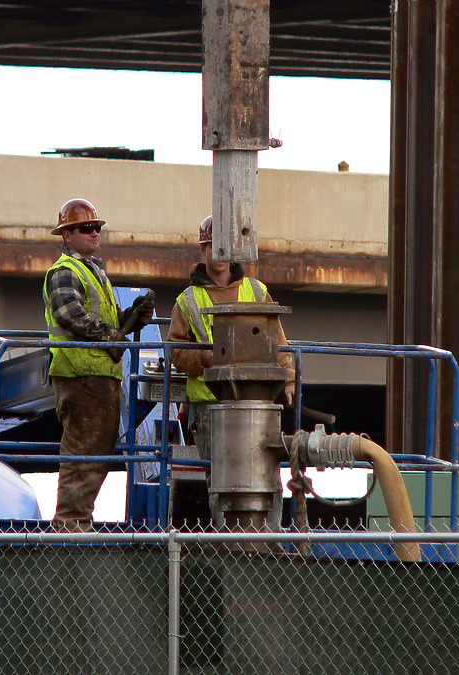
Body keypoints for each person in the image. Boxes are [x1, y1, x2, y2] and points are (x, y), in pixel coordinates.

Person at [168, 215, 295, 526]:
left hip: (257, 402)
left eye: (224, 246)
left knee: (265, 473)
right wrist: (204, 360)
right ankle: (228, 540)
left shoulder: (256, 289)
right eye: (212, 246)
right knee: (222, 478)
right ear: (203, 250)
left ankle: (269, 538)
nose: (218, 253)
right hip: (210, 405)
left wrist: (289, 379)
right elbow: (176, 350)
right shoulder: (187, 300)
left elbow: (276, 340)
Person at [43, 197, 155, 532]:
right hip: (80, 376)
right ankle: (69, 523)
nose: (95, 233)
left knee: (99, 449)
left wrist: (129, 319)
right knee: (84, 448)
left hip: (99, 376)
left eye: (97, 227)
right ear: (67, 236)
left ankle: (78, 520)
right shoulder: (64, 272)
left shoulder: (95, 273)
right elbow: (70, 315)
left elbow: (100, 324)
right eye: (86, 228)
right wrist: (111, 333)